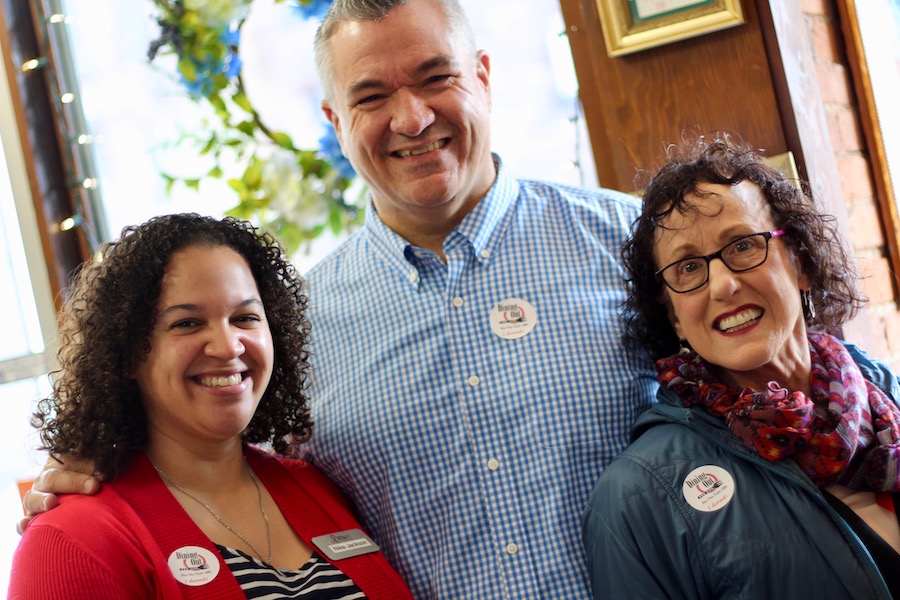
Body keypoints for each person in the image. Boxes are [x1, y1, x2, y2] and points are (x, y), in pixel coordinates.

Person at [21, 1, 658, 597]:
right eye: (372, 96)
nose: (411, 118)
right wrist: (92, 458)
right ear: (335, 121)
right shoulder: (291, 326)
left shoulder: (633, 243)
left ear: (485, 77)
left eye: (436, 78)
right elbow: (205, 458)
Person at [9, 214, 412, 599]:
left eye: (245, 317)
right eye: (187, 323)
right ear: (127, 353)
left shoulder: (313, 485)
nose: (228, 346)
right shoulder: (70, 539)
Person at [582, 136, 900, 599]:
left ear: (801, 262)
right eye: (688, 268)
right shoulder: (638, 498)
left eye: (744, 245)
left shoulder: (887, 393)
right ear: (674, 317)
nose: (724, 285)